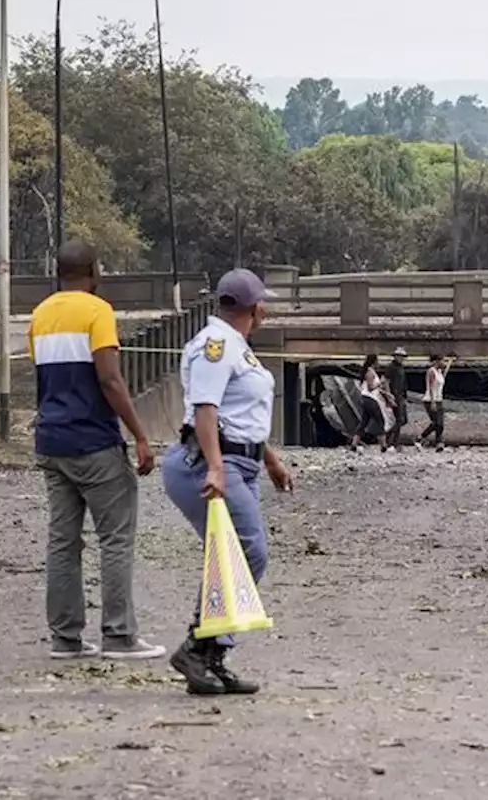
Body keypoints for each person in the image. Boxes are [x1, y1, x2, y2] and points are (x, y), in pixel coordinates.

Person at [29, 240, 164, 661]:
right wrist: (140, 434)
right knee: (116, 538)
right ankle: (119, 635)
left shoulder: (40, 314)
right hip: (94, 443)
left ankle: (65, 638)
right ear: (94, 270)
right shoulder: (97, 311)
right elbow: (109, 379)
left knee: (63, 542)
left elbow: (44, 380)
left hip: (52, 441)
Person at [161, 269, 293, 696]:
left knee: (230, 558)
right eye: (263, 302)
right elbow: (205, 410)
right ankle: (200, 646)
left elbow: (242, 416)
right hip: (212, 463)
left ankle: (213, 655)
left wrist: (269, 459)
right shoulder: (215, 348)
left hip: (241, 462)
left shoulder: (237, 347)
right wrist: (216, 468)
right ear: (254, 307)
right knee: (246, 552)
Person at [350, 354, 382, 453]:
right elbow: (370, 387)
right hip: (371, 399)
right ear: (374, 362)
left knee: (364, 422)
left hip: (365, 399)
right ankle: (384, 445)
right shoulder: (370, 372)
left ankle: (354, 444)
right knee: (380, 421)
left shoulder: (368, 371)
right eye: (377, 361)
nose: (378, 363)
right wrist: (380, 384)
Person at [417, 353, 448, 451]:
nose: (443, 362)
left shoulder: (439, 372)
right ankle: (421, 437)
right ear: (436, 361)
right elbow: (430, 387)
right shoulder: (431, 371)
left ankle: (439, 443)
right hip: (430, 399)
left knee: (440, 423)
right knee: (436, 422)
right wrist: (433, 401)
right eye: (442, 360)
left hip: (439, 399)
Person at [384, 347, 409, 452]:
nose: (402, 358)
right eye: (400, 356)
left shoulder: (401, 367)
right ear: (396, 356)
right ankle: (392, 443)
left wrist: (405, 396)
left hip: (401, 396)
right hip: (394, 396)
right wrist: (389, 396)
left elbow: (403, 383)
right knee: (398, 419)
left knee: (403, 419)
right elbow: (386, 382)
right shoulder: (391, 367)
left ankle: (389, 439)